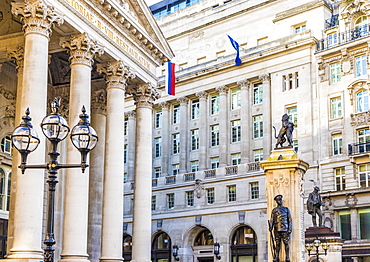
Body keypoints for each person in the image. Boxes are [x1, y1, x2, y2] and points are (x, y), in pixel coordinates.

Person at [269, 195, 292, 262]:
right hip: (277, 229)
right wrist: (271, 226)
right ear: (276, 201)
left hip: (285, 228)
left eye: (280, 200)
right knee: (277, 243)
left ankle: (287, 256)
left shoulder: (286, 209)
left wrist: (290, 229)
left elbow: (289, 219)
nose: (280, 201)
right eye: (278, 200)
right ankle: (277, 257)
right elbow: (272, 219)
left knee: (286, 243)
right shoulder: (274, 210)